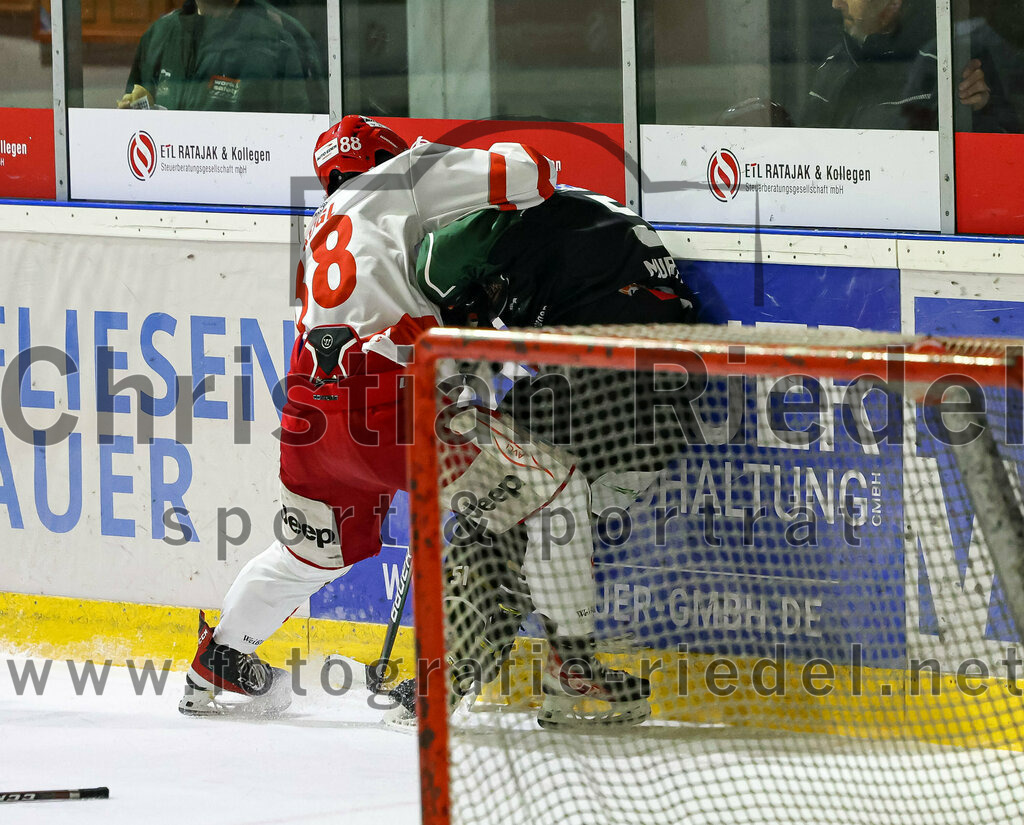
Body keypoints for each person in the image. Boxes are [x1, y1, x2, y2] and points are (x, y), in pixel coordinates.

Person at [179, 115, 651, 729]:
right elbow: (526, 170)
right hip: (392, 409)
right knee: (555, 489)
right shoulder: (400, 176)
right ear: (386, 155)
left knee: (308, 552)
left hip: (311, 418)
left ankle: (216, 661)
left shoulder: (321, 225)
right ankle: (572, 669)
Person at [804, 0, 1005, 130]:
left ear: (892, 4)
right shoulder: (833, 63)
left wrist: (981, 109)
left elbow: (1000, 150)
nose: (836, 4)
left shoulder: (948, 62)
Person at [117, 0, 326, 113]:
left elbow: (305, 134)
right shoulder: (160, 34)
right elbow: (135, 113)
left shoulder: (281, 38)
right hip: (168, 183)